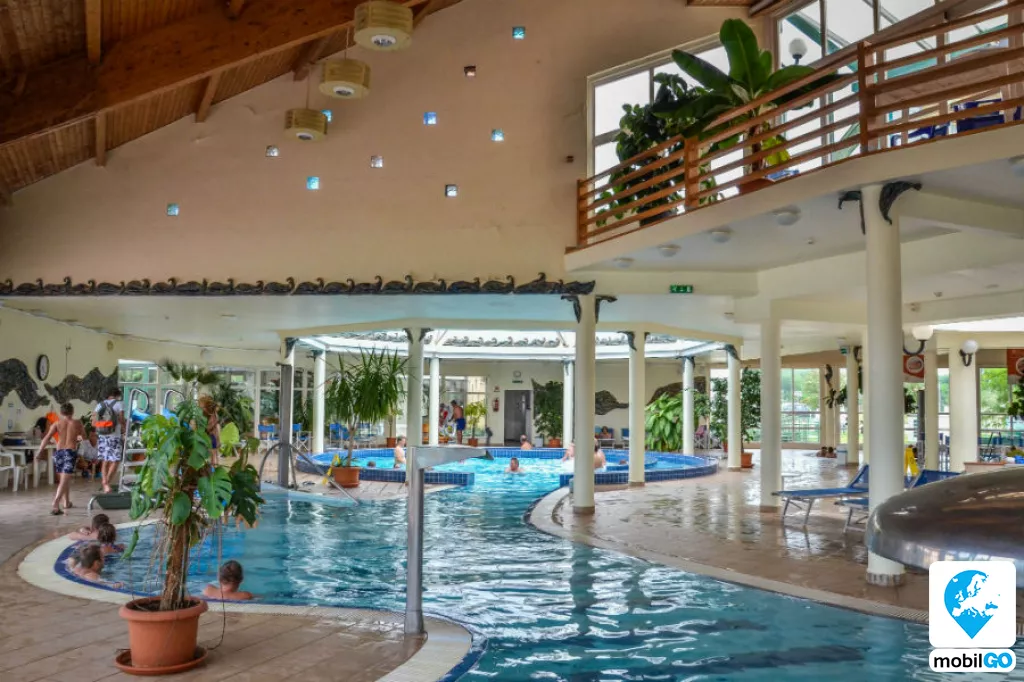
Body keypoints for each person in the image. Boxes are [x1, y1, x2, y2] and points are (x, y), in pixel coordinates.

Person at [38, 403, 85, 515]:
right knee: (64, 480)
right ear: (72, 411)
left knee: (64, 480)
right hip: (69, 452)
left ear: (61, 412)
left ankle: (66, 502)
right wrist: (78, 438)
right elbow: (84, 437)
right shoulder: (77, 423)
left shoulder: (56, 423)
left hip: (58, 453)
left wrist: (39, 452)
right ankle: (56, 502)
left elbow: (46, 438)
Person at [93, 389, 125, 494]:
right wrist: (125, 429)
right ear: (117, 395)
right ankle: (106, 483)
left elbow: (93, 422)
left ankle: (105, 483)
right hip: (114, 436)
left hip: (102, 436)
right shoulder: (119, 404)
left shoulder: (99, 405)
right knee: (116, 460)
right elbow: (121, 420)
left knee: (105, 460)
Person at [199, 395, 221, 464]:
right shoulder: (205, 414)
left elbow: (209, 427)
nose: (200, 408)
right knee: (212, 453)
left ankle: (214, 464)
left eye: (202, 407)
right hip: (210, 436)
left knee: (213, 453)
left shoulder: (212, 415)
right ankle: (213, 463)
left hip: (212, 436)